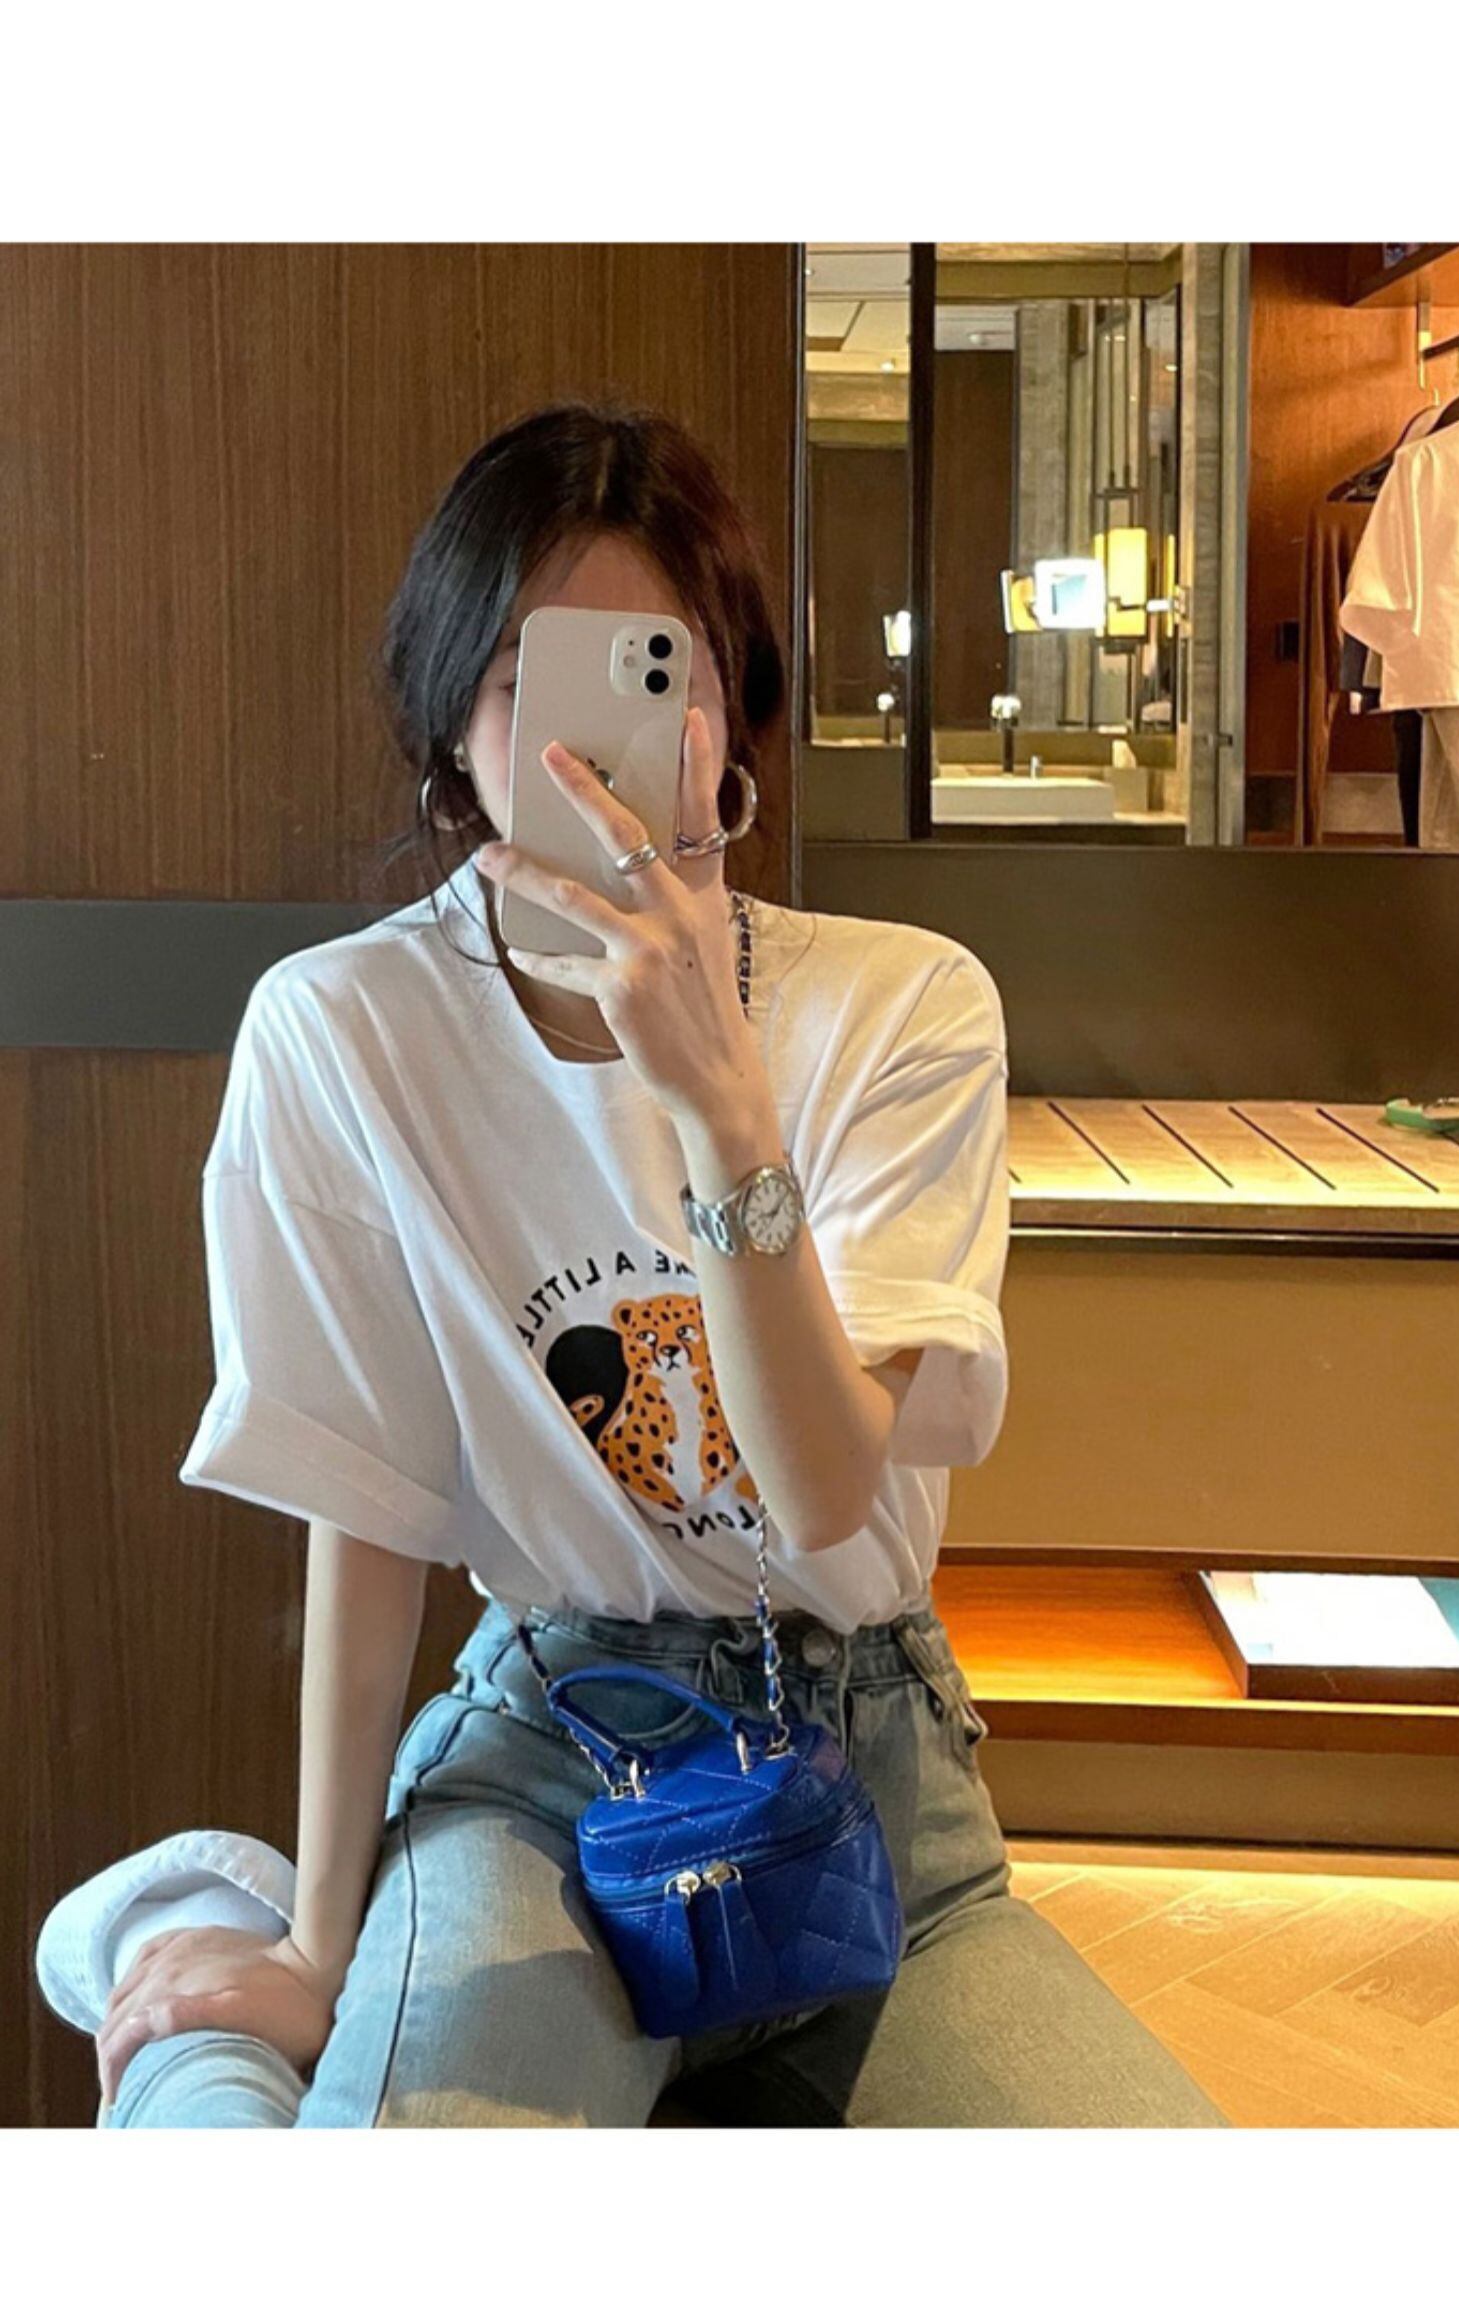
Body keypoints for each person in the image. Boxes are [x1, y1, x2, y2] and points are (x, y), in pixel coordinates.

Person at [53, 399, 1228, 2129]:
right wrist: (318, 1937)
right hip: (544, 1759)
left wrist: (720, 1102)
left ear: (732, 719)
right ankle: (215, 1971)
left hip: (874, 1772)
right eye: (531, 682)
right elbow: (368, 1506)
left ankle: (181, 1959)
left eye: (656, 674)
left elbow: (821, 1486)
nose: (597, 754)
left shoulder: (901, 1004)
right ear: (457, 738)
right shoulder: (345, 1028)